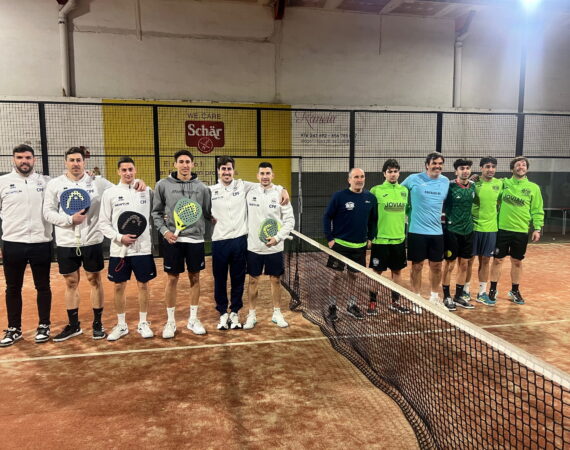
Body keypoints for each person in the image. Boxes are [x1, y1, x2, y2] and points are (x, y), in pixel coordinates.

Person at [209, 156, 289, 331]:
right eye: (223, 169)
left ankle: (235, 312)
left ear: (233, 171)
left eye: (229, 169)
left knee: (238, 279)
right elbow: (200, 206)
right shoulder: (210, 190)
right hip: (220, 242)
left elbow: (267, 185)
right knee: (220, 279)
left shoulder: (243, 186)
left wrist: (283, 189)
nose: (226, 172)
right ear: (218, 171)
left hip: (239, 241)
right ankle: (222, 313)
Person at [43, 147, 114, 341]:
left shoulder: (97, 182)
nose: (75, 163)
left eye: (79, 160)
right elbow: (47, 212)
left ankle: (97, 324)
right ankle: (74, 325)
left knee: (94, 279)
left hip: (92, 240)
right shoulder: (55, 184)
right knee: (71, 282)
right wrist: (69, 220)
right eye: (72, 160)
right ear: (65, 162)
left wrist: (138, 183)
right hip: (66, 242)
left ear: (84, 162)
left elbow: (119, 191)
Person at [152, 150, 212, 338]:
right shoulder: (163, 185)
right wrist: (165, 231)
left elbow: (207, 212)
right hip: (173, 240)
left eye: (188, 162)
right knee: (172, 279)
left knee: (195, 278)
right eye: (181, 161)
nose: (185, 165)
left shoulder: (202, 188)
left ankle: (193, 319)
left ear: (193, 164)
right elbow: (156, 213)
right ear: (175, 164)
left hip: (195, 240)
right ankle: (170, 322)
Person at [0, 145, 53, 347]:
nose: (24, 161)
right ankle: (14, 328)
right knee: (13, 288)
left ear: (34, 159)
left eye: (28, 157)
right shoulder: (3, 182)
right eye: (20, 157)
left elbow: (70, 184)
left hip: (41, 242)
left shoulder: (46, 182)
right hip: (12, 243)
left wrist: (91, 177)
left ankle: (44, 325)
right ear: (13, 159)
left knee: (43, 286)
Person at [99, 157, 156, 341]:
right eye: (124, 170)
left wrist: (142, 183)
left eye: (130, 169)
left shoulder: (146, 190)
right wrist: (119, 237)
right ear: (118, 172)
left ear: (135, 170)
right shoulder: (110, 193)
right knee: (118, 286)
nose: (128, 173)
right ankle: (121, 325)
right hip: (119, 250)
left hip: (142, 249)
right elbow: (103, 223)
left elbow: (158, 210)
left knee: (143, 285)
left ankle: (143, 323)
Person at [243, 162, 295, 329]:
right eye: (262, 173)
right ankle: (251, 315)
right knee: (252, 281)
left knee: (276, 280)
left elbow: (289, 221)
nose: (265, 176)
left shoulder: (280, 193)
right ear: (257, 176)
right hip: (254, 247)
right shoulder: (249, 192)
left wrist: (278, 238)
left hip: (274, 247)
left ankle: (277, 313)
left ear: (273, 175)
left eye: (268, 173)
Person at [323, 168, 377, 322]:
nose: (359, 180)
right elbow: (327, 216)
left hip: (359, 246)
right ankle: (332, 306)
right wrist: (330, 238)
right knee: (336, 275)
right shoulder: (339, 196)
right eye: (356, 177)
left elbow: (373, 220)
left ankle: (351, 305)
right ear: (349, 180)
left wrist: (370, 237)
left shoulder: (370, 198)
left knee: (354, 276)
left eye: (362, 176)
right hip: (340, 244)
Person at [488, 156, 544, 305]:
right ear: (512, 168)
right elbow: (489, 184)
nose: (521, 167)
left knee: (517, 261)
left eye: (524, 165)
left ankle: (514, 290)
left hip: (521, 230)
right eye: (518, 165)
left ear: (527, 169)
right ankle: (492, 289)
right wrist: (476, 179)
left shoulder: (533, 188)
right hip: (502, 229)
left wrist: (537, 228)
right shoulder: (503, 183)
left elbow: (537, 210)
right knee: (498, 260)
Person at [401, 152, 450, 306]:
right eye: (434, 163)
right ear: (427, 165)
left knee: (437, 266)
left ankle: (434, 297)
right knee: (417, 266)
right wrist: (407, 211)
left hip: (437, 232)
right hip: (416, 231)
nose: (437, 166)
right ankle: (416, 298)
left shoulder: (445, 181)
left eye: (440, 163)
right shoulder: (413, 179)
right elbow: (398, 192)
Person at [368, 159, 410, 314]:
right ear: (384, 174)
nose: (393, 174)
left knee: (397, 272)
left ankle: (395, 303)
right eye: (390, 171)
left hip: (399, 239)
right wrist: (370, 236)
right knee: (377, 272)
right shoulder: (376, 190)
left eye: (395, 171)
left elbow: (406, 213)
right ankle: (372, 303)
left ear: (399, 173)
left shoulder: (404, 191)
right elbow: (370, 215)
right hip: (381, 240)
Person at [463, 157, 503, 306]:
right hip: (473, 227)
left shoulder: (500, 184)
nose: (490, 169)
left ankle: (481, 293)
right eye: (487, 166)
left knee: (485, 261)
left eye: (493, 167)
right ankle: (465, 290)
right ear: (481, 168)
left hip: (491, 229)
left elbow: (499, 202)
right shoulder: (473, 183)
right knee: (469, 261)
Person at [441, 159, 476, 311]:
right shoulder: (449, 186)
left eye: (467, 168)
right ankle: (446, 296)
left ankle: (459, 296)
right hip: (452, 231)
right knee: (450, 264)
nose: (465, 171)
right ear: (456, 171)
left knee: (464, 264)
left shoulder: (473, 186)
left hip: (468, 230)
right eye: (462, 168)